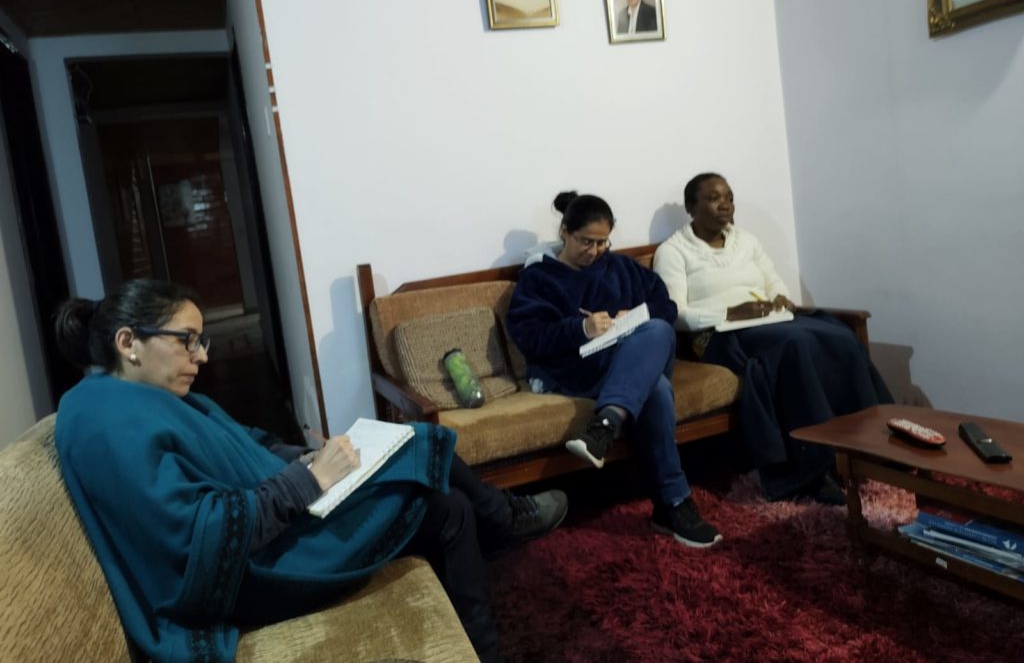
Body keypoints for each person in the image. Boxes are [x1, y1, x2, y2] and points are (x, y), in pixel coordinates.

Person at [53, 279, 567, 663]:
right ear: (128, 342)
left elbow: (242, 442)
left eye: (201, 341)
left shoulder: (137, 397)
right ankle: (503, 521)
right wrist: (310, 479)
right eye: (187, 340)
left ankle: (497, 540)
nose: (200, 356)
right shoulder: (107, 422)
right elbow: (198, 537)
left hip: (275, 525)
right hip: (252, 573)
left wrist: (300, 457)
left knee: (434, 483)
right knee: (434, 479)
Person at [653, 173, 893, 505]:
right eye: (714, 198)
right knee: (796, 345)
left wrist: (780, 297)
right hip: (717, 334)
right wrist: (731, 313)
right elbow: (675, 313)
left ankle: (872, 444)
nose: (725, 205)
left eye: (729, 197)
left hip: (768, 321)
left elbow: (772, 282)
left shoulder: (746, 241)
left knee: (838, 335)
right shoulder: (674, 251)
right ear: (691, 207)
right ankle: (813, 468)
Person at [506, 192, 722, 549]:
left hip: (633, 358)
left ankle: (605, 424)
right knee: (656, 390)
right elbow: (531, 338)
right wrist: (582, 328)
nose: (594, 251)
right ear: (564, 232)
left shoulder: (620, 267)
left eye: (603, 242)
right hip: (582, 368)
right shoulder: (540, 278)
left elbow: (665, 306)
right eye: (585, 242)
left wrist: (634, 316)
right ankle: (673, 504)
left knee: (656, 328)